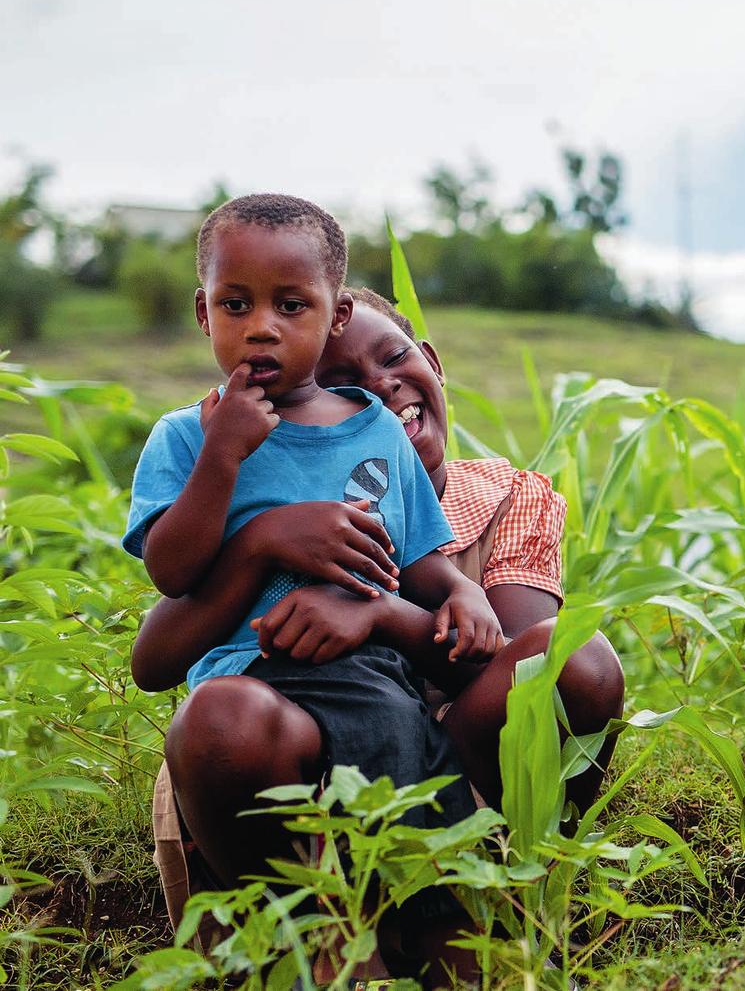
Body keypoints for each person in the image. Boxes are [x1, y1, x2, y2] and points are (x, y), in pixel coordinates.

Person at [132, 288, 624, 960]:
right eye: (342, 386)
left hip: (445, 747)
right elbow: (157, 647)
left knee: (574, 657)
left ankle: (495, 908)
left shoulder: (505, 492)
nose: (381, 391)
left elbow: (505, 663)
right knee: (225, 718)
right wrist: (262, 538)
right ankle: (318, 951)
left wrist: (377, 611)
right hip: (283, 760)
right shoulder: (236, 465)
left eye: (393, 358)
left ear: (431, 358)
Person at [124, 193, 502, 984]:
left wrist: (465, 596)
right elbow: (171, 568)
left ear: (334, 319)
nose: (262, 325)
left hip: (372, 680)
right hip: (255, 682)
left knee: (425, 856)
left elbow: (423, 557)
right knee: (221, 724)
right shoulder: (186, 435)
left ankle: (437, 941)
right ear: (204, 312)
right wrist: (224, 457)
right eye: (237, 303)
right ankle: (321, 947)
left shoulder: (371, 425)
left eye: (290, 305)